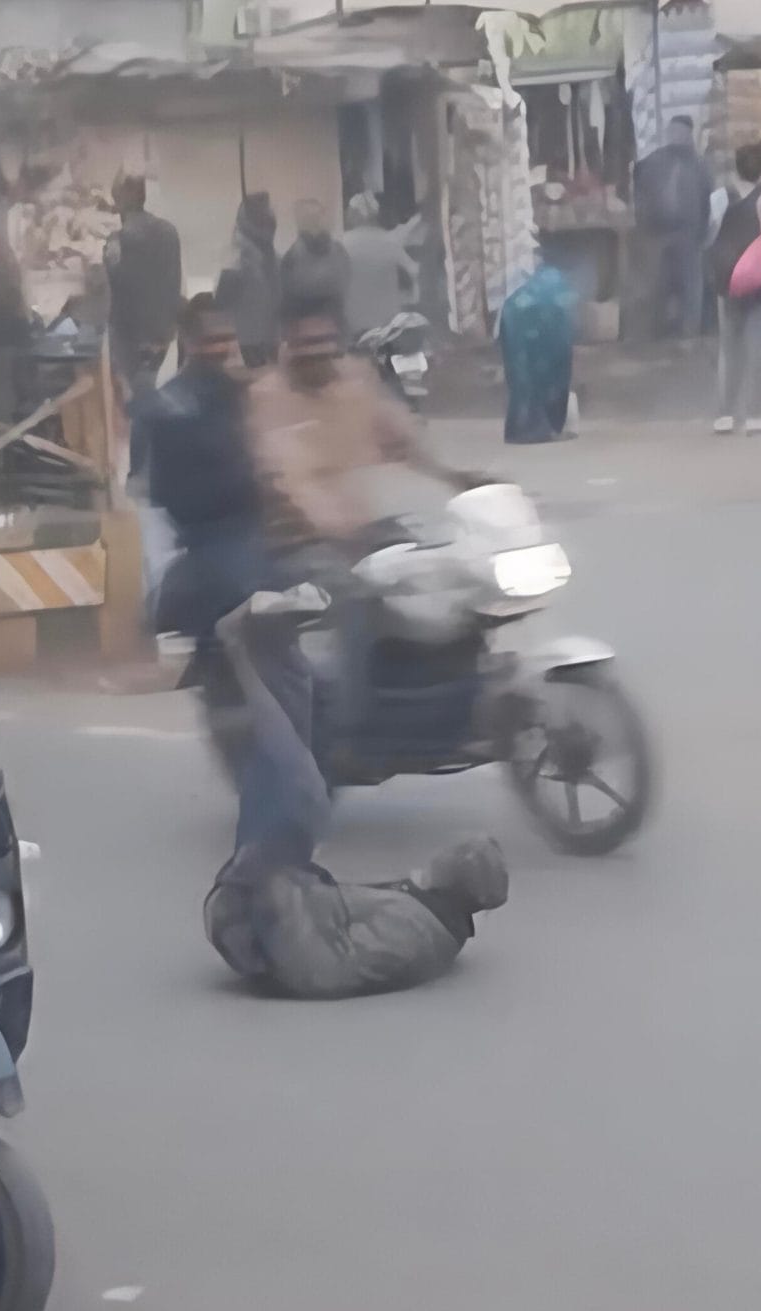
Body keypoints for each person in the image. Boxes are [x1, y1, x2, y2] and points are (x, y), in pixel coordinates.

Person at [203, 594, 510, 1002]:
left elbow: (325, 969)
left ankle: (240, 649)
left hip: (262, 929)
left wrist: (277, 885)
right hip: (266, 917)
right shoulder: (422, 910)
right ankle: (276, 645)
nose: (445, 851)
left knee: (303, 794)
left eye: (457, 853)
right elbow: (339, 913)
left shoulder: (418, 929)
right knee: (304, 752)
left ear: (458, 878)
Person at [248, 298, 483, 768]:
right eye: (304, 344)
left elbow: (400, 437)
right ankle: (347, 733)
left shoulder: (356, 381)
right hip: (297, 541)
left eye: (324, 342)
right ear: (285, 346)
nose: (316, 354)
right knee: (356, 596)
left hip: (364, 529)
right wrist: (335, 528)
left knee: (448, 570)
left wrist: (458, 478)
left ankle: (454, 696)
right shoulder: (269, 398)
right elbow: (292, 478)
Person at [136, 294, 263, 644]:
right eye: (211, 340)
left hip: (250, 537)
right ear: (189, 343)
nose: (222, 348)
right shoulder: (170, 408)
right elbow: (170, 503)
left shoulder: (243, 394)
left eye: (227, 338)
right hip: (205, 547)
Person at [708, 141, 761, 435]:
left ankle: (726, 412)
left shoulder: (719, 198)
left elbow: (709, 235)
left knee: (729, 347)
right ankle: (755, 410)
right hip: (760, 281)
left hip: (727, 281)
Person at [104, 173, 184, 399]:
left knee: (134, 394)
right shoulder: (169, 231)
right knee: (150, 387)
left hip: (130, 335)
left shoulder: (117, 240)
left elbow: (111, 279)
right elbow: (174, 278)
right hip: (163, 332)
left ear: (119, 202)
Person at [634, 117, 714, 339]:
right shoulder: (654, 162)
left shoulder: (700, 166)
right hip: (658, 231)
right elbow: (640, 187)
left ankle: (689, 335)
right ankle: (657, 333)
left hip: (689, 233)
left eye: (681, 132)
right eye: (673, 131)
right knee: (658, 283)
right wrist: (643, 220)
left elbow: (709, 199)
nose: (676, 136)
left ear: (689, 136)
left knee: (690, 286)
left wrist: (703, 232)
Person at [498, 249, 579, 446]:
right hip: (533, 338)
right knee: (545, 384)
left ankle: (517, 431)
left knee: (521, 383)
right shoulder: (555, 285)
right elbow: (561, 328)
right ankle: (540, 430)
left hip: (517, 337)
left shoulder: (529, 288)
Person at [338, 193, 420, 344]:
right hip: (387, 322)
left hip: (353, 322)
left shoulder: (341, 243)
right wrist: (411, 296)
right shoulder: (388, 240)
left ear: (350, 215)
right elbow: (414, 271)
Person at [218, 193, 283, 370]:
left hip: (272, 344)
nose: (270, 221)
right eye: (264, 216)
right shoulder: (235, 262)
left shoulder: (276, 260)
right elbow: (220, 311)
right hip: (244, 350)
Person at [279, 198, 351, 329]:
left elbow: (347, 291)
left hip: (335, 332)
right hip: (304, 333)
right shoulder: (291, 259)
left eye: (317, 218)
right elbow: (287, 304)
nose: (315, 224)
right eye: (309, 220)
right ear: (300, 224)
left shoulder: (339, 252)